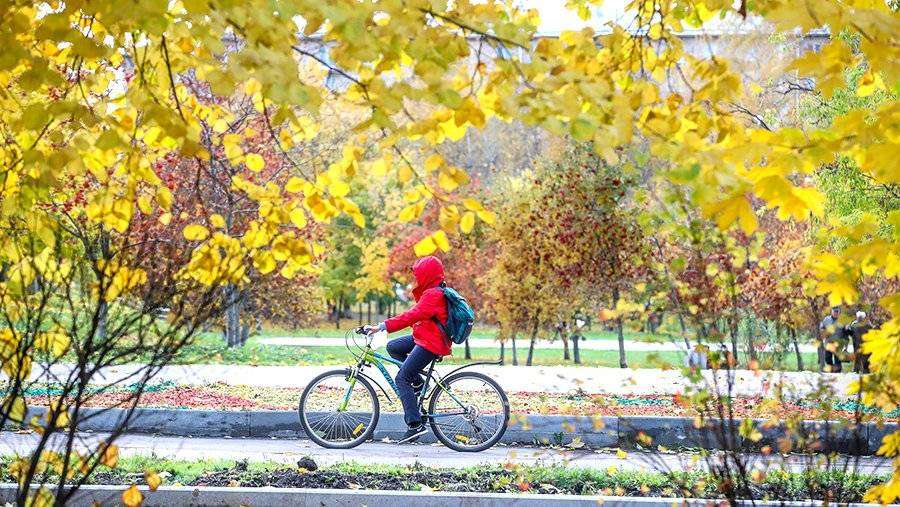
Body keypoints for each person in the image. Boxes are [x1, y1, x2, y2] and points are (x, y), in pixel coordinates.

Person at [364, 255, 450, 443]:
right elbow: (419, 317)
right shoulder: (433, 291)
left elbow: (411, 316)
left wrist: (382, 326)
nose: (416, 279)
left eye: (419, 275)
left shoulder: (433, 295)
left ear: (427, 275)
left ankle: (415, 425)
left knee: (402, 378)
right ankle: (418, 384)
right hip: (427, 336)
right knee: (393, 347)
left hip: (431, 342)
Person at [819, 306, 845, 373]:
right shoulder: (826, 319)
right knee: (828, 357)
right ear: (831, 312)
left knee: (837, 358)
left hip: (838, 342)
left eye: (837, 312)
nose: (836, 313)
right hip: (829, 341)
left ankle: (838, 372)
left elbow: (845, 331)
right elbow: (822, 328)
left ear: (839, 312)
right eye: (834, 312)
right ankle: (831, 369)